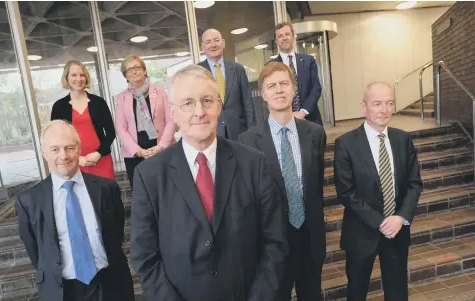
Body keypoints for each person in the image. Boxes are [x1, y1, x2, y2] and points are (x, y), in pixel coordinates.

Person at [130, 64, 288, 301]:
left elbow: (275, 243)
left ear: (219, 105)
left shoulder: (254, 163)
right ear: (173, 112)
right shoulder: (150, 175)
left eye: (206, 100)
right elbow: (144, 257)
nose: (199, 112)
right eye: (187, 103)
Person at [15, 120, 134, 301]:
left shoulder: (106, 189)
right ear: (44, 153)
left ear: (79, 149)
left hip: (110, 285)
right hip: (63, 292)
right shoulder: (29, 201)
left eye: (69, 148)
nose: (63, 156)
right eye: (55, 149)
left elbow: (116, 235)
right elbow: (37, 253)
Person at [239, 62, 326, 301]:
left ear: (294, 89)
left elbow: (317, 185)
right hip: (272, 244)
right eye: (272, 85)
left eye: (284, 83)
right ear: (264, 94)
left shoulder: (315, 133)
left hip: (309, 238)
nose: (279, 90)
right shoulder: (247, 141)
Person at [333, 82, 422, 301]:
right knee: (357, 290)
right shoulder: (346, 144)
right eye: (377, 103)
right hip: (362, 232)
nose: (384, 109)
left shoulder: (403, 139)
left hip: (397, 231)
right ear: (364, 107)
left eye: (389, 103)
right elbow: (346, 192)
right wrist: (382, 222)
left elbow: (414, 183)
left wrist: (400, 217)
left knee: (397, 290)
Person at [114, 54, 176, 188]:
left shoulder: (160, 92)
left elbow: (171, 120)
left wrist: (162, 146)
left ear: (144, 70)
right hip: (135, 154)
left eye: (137, 67)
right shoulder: (121, 98)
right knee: (142, 192)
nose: (134, 71)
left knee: (168, 189)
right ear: (126, 76)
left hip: (162, 148)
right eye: (129, 69)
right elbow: (120, 128)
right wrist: (138, 151)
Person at [51, 60, 115, 179]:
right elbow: (55, 139)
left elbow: (111, 133)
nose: (79, 79)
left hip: (101, 160)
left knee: (107, 195)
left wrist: (98, 153)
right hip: (73, 163)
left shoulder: (99, 102)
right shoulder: (59, 107)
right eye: (74, 75)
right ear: (66, 78)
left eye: (82, 75)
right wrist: (77, 159)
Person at [198, 28, 255, 140]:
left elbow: (248, 103)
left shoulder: (238, 69)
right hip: (211, 133)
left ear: (223, 43)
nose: (213, 45)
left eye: (216, 40)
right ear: (202, 47)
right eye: (208, 42)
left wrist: (251, 132)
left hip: (239, 132)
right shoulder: (197, 72)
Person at [272, 22, 323, 125]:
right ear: (276, 41)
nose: (284, 38)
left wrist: (302, 112)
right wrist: (289, 114)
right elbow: (272, 95)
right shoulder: (272, 66)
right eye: (280, 36)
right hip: (284, 121)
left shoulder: (309, 61)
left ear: (293, 36)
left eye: (287, 34)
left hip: (311, 118)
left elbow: (316, 88)